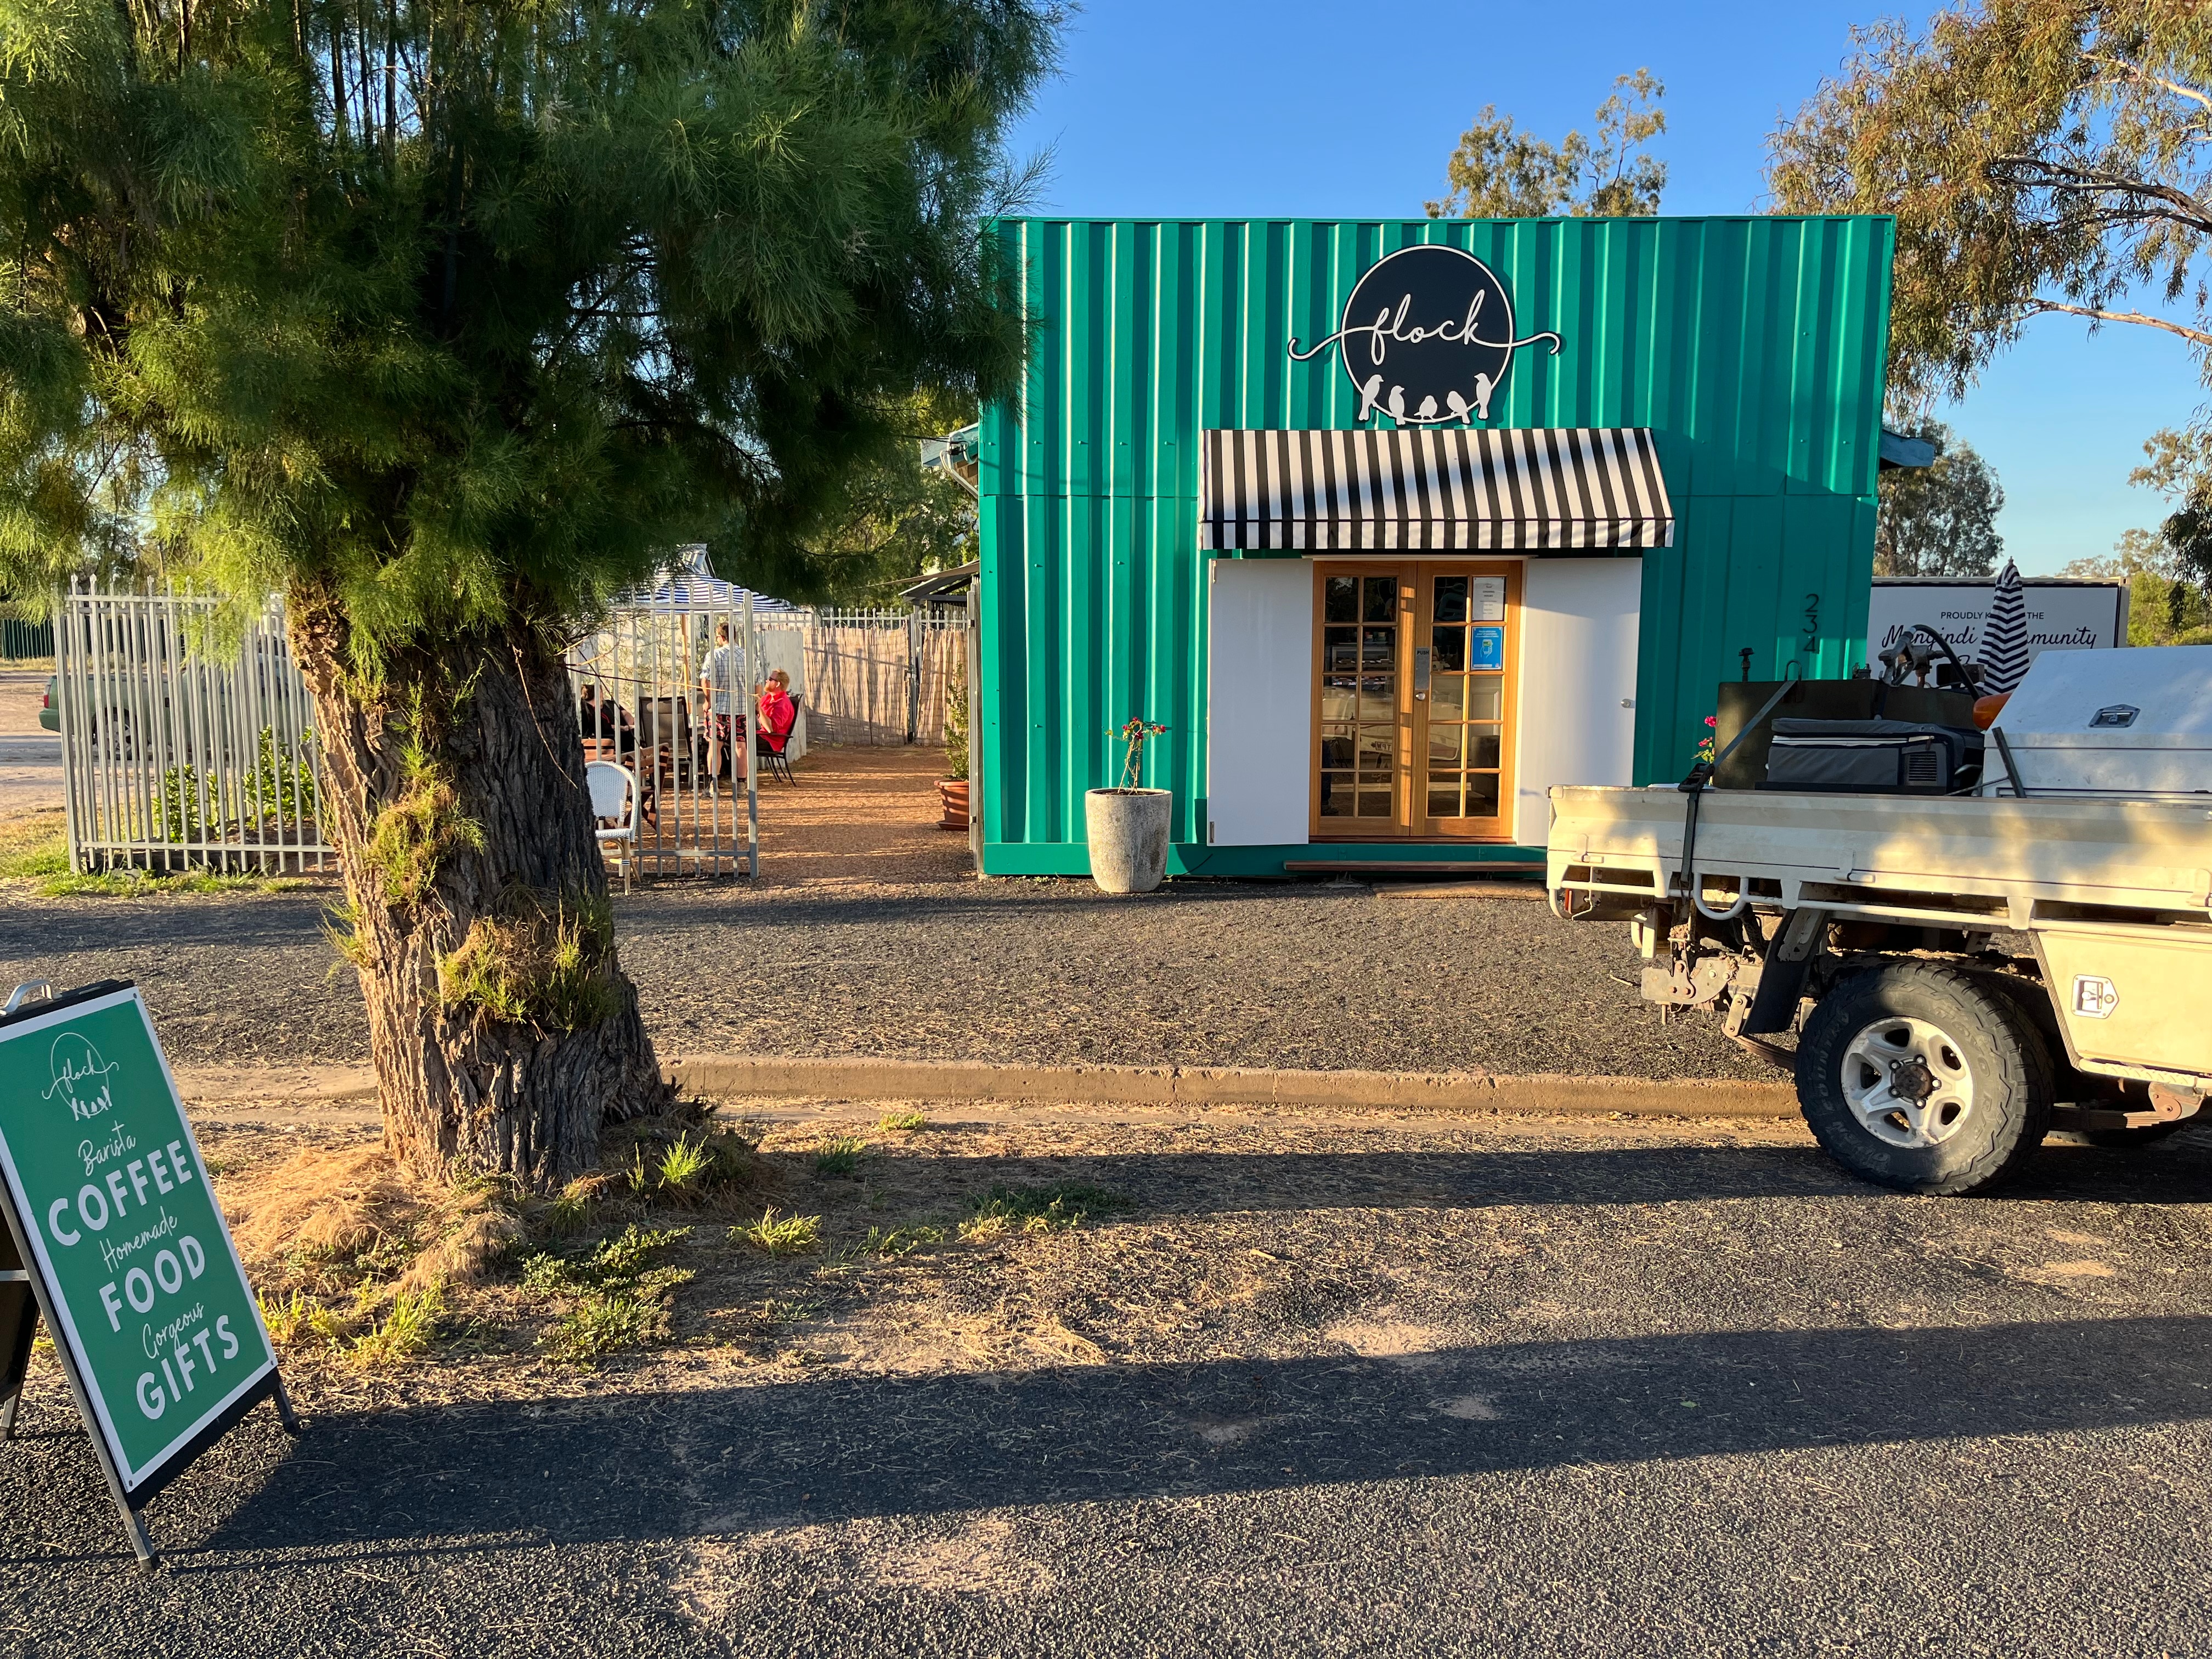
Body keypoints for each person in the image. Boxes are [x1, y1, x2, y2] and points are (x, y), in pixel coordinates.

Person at [699, 622, 744, 782]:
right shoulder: (748, 656)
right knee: (740, 745)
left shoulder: (714, 655)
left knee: (715, 745)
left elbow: (705, 680)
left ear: (722, 637)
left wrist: (708, 701)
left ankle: (714, 783)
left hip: (719, 709)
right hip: (741, 708)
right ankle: (741, 783)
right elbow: (758, 683)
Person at [756, 668, 796, 754]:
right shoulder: (768, 698)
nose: (767, 681)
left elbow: (771, 729)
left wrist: (759, 707)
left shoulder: (783, 704)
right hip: (761, 734)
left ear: (778, 684)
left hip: (770, 741)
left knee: (739, 740)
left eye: (770, 679)